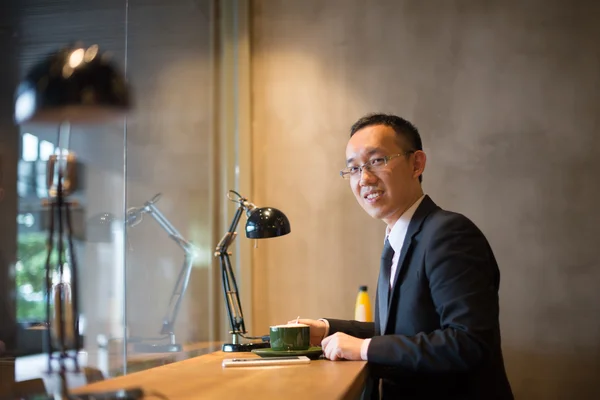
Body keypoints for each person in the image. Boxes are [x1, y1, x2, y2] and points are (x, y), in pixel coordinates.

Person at [292, 114, 513, 399]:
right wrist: (326, 330)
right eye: (354, 169)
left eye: (377, 161)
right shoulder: (399, 238)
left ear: (416, 163)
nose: (365, 179)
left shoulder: (449, 233)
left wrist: (362, 348)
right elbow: (404, 329)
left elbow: (468, 342)